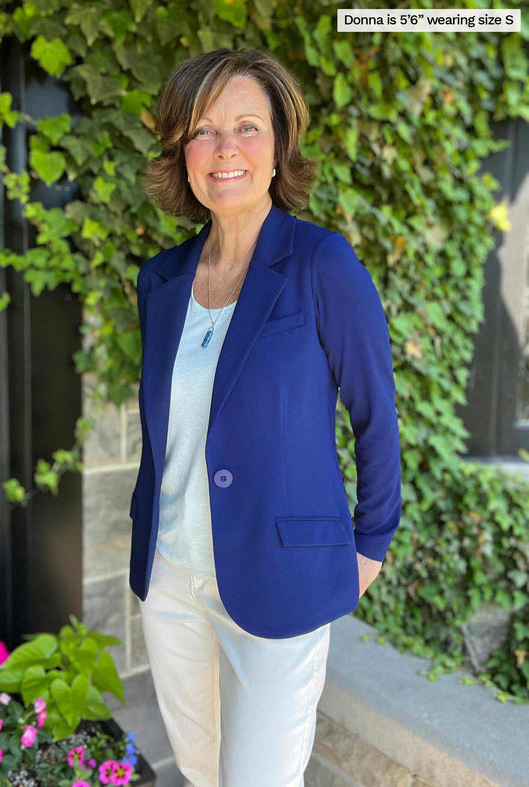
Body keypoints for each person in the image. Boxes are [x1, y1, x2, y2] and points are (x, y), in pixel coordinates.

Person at [128, 47, 402, 787]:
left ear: (279, 146)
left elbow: (376, 415)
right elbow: (169, 436)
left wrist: (368, 544)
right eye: (203, 131)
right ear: (183, 154)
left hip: (282, 577)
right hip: (173, 579)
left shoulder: (322, 264)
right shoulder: (162, 281)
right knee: (200, 765)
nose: (224, 150)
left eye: (246, 126)